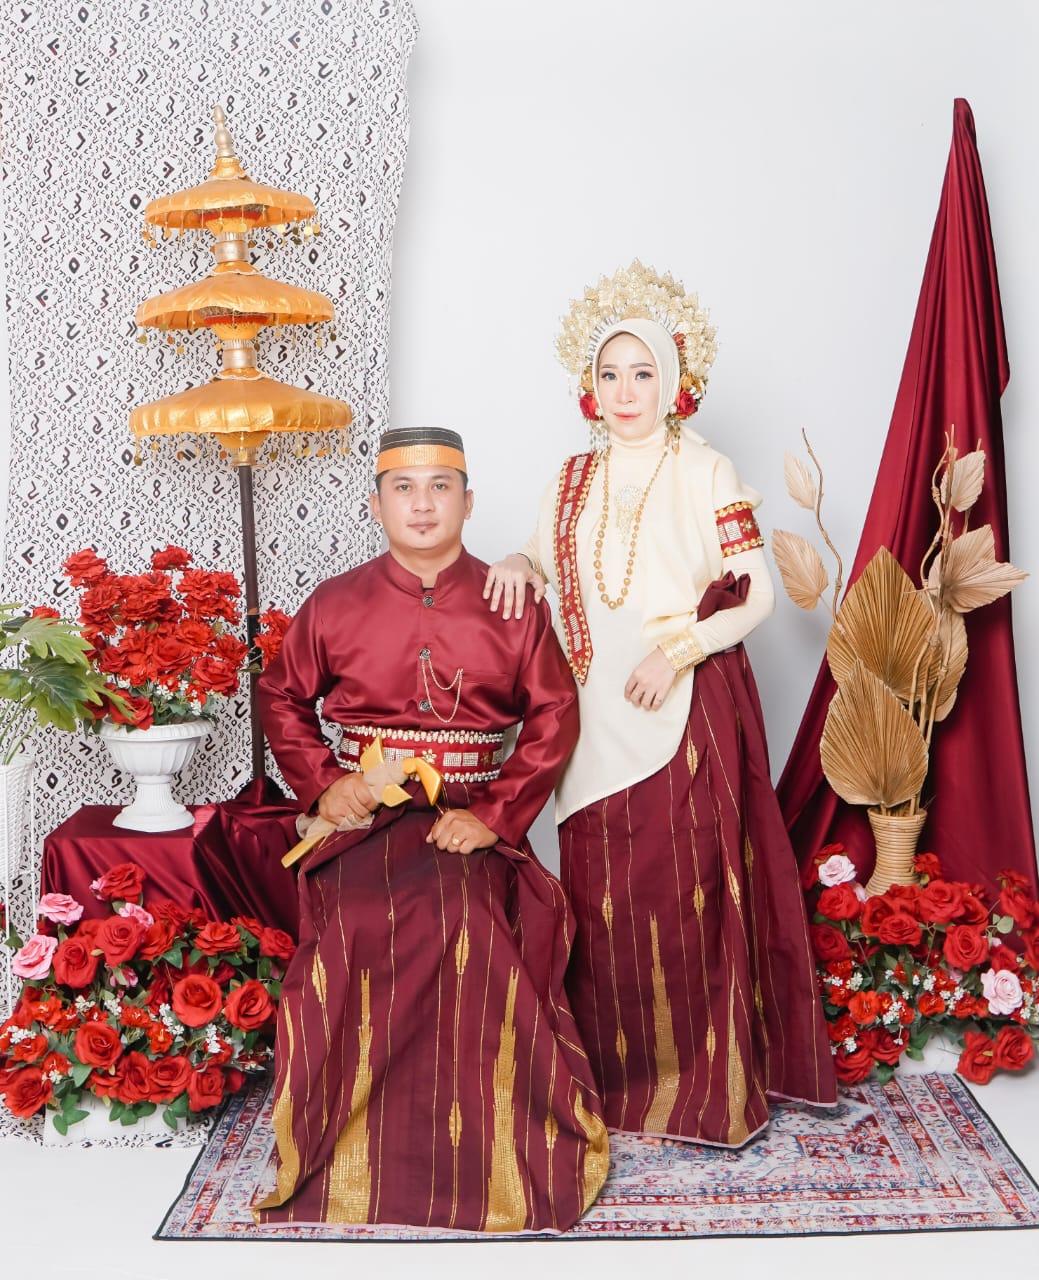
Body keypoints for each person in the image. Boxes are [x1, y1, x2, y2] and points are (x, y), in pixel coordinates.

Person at [485, 263, 837, 1146]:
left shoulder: (706, 469)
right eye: (608, 374)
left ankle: (699, 1089)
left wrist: (674, 650)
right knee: (600, 904)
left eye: (641, 373)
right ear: (588, 386)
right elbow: (539, 560)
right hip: (586, 720)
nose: (624, 392)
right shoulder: (570, 476)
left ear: (673, 380)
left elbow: (755, 594)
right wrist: (517, 563)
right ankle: (615, 1085)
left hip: (678, 706)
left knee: (682, 903)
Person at [252, 427, 607, 1233]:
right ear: (375, 505)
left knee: (469, 921)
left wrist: (493, 817)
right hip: (364, 820)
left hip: (467, 818)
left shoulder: (511, 602)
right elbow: (279, 695)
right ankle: (346, 1142)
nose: (421, 504)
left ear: (467, 502)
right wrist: (328, 784)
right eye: (403, 488)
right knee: (359, 921)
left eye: (439, 487)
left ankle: (481, 1144)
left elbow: (554, 713)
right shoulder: (335, 601)